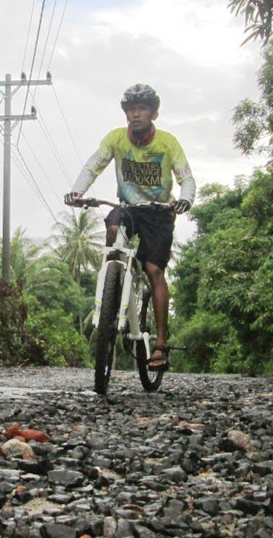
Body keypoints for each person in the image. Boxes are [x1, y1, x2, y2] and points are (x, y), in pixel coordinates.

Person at [64, 83, 196, 373]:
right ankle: (114, 284)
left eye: (142, 109)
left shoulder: (167, 142)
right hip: (128, 209)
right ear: (125, 113)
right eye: (131, 109)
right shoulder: (115, 139)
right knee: (113, 229)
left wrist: (185, 199)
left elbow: (186, 176)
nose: (136, 115)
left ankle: (160, 342)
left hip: (159, 213)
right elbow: (93, 165)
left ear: (153, 113)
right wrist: (77, 191)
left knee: (153, 271)